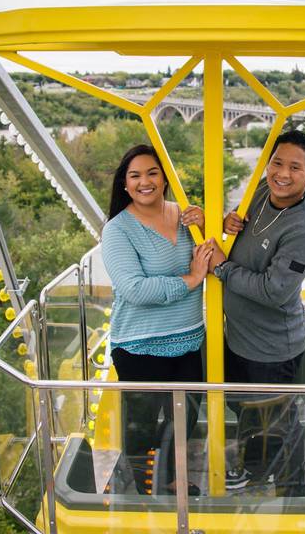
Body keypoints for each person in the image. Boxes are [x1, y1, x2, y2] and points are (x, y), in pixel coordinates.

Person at [206, 130, 305, 495]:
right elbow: (247, 232)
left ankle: (284, 489)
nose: (282, 174)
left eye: (294, 167)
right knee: (249, 412)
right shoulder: (262, 189)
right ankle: (256, 469)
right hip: (239, 335)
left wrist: (223, 269)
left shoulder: (304, 228)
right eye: (276, 162)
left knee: (271, 423)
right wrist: (230, 223)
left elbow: (274, 291)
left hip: (271, 348)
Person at [101, 144, 212, 496]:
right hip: (140, 344)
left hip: (189, 338)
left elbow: (212, 251)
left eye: (152, 173)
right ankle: (147, 485)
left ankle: (174, 476)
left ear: (164, 178)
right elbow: (134, 289)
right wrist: (192, 280)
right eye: (135, 176)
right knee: (143, 425)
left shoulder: (185, 216)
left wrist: (210, 223)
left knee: (186, 417)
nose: (144, 182)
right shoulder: (118, 231)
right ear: (124, 184)